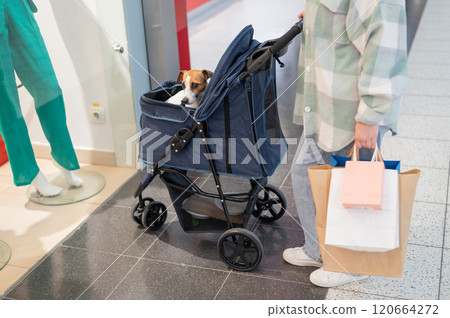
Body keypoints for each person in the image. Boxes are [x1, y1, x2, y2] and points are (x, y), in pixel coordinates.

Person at [283, 0, 408, 287]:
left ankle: (349, 263)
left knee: (353, 189)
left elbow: (383, 50)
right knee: (305, 174)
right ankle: (317, 250)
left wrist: (370, 115)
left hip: (351, 108)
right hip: (324, 102)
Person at [0, 0, 82, 196]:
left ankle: (63, 157)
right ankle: (32, 174)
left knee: (48, 86)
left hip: (15, 5)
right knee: (7, 103)